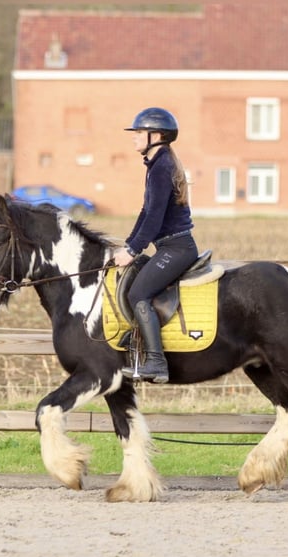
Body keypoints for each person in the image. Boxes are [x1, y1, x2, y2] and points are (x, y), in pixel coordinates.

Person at [113, 107, 199, 383]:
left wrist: (133, 250)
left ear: (156, 135)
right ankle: (140, 332)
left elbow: (155, 217)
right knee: (135, 278)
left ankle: (156, 364)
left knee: (138, 294)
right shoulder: (156, 165)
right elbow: (144, 212)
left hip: (177, 248)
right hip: (167, 247)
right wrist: (128, 245)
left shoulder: (162, 167)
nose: (134, 138)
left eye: (139, 133)